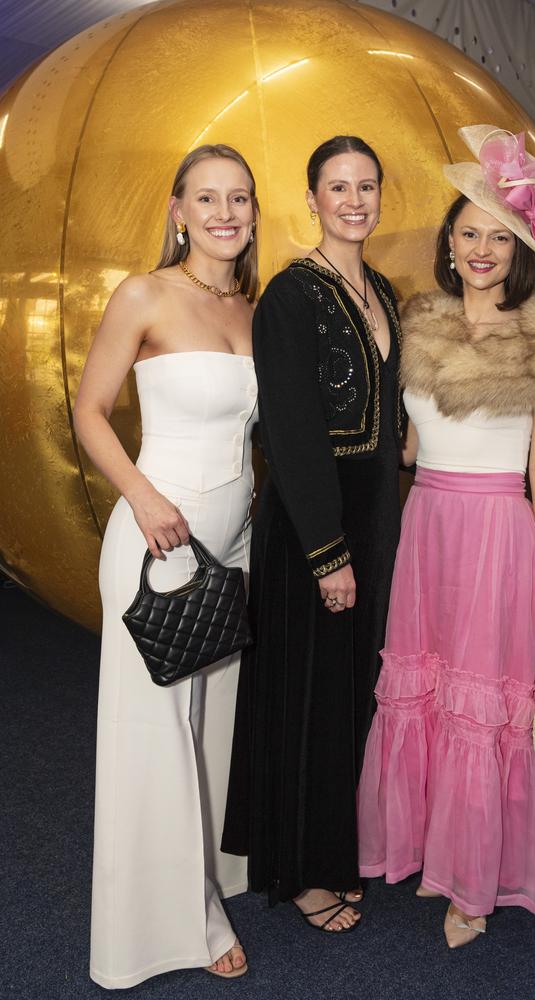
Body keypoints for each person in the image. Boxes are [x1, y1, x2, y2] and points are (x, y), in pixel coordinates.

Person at [357, 126, 535, 947]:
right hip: (426, 529)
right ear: (449, 242)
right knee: (429, 692)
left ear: (520, 249)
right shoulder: (418, 326)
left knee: (489, 702)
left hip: (502, 536)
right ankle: (437, 847)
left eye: (498, 236)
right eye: (468, 232)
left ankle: (478, 886)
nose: (480, 249)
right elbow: (410, 442)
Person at [73, 144, 259, 986]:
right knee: (156, 732)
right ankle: (181, 925)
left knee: (213, 719)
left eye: (241, 199)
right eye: (208, 198)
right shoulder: (145, 294)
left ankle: (214, 871)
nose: (226, 213)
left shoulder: (254, 309)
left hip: (236, 538)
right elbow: (88, 413)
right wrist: (144, 498)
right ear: (178, 209)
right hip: (158, 542)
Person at [222, 136, 405, 933]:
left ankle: (333, 847)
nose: (355, 200)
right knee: (302, 694)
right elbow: (291, 436)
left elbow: (390, 414)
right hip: (309, 525)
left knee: (348, 689)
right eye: (339, 186)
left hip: (374, 513)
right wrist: (327, 553)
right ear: (313, 199)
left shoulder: (386, 291)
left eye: (367, 185)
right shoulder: (290, 297)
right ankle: (296, 872)